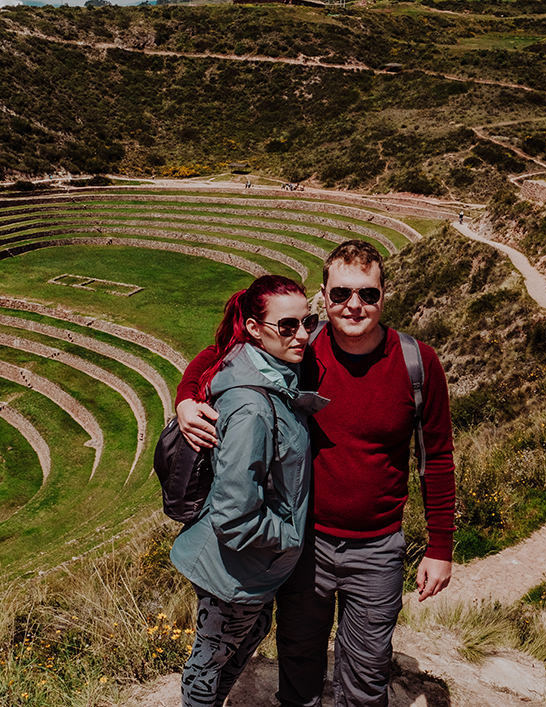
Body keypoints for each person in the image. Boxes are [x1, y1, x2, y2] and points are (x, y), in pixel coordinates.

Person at [176, 241, 456, 706]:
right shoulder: (303, 344)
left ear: (384, 295)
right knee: (299, 663)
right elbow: (220, 353)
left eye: (368, 294)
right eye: (341, 293)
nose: (354, 305)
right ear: (324, 297)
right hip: (306, 545)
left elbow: (438, 458)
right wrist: (187, 398)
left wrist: (440, 547)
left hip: (378, 548)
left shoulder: (417, 363)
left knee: (367, 674)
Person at [170, 275, 328, 707]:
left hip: (251, 566)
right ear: (255, 329)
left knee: (248, 635)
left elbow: (215, 351)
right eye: (288, 326)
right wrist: (290, 538)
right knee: (210, 659)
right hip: (232, 569)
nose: (302, 335)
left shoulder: (270, 366)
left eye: (308, 322)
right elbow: (235, 514)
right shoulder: (251, 407)